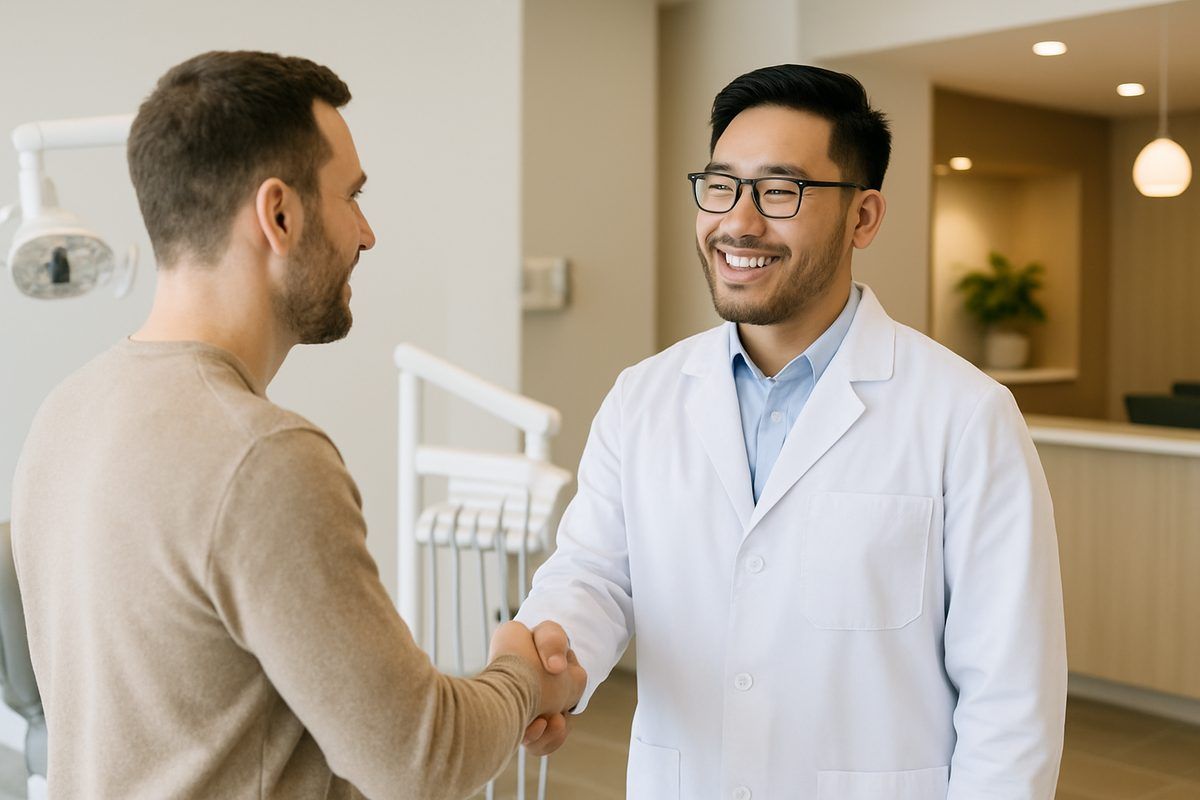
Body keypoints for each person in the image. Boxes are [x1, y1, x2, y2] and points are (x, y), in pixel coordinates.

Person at [10, 50, 583, 800]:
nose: (367, 234)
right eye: (352, 196)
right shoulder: (261, 456)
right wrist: (520, 676)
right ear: (278, 214)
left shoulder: (65, 411)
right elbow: (421, 761)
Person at [515, 64, 1067, 799]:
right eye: (720, 186)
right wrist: (556, 659)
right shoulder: (642, 399)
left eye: (781, 191)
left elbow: (1012, 696)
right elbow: (593, 576)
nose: (739, 222)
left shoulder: (966, 416)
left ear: (863, 217)